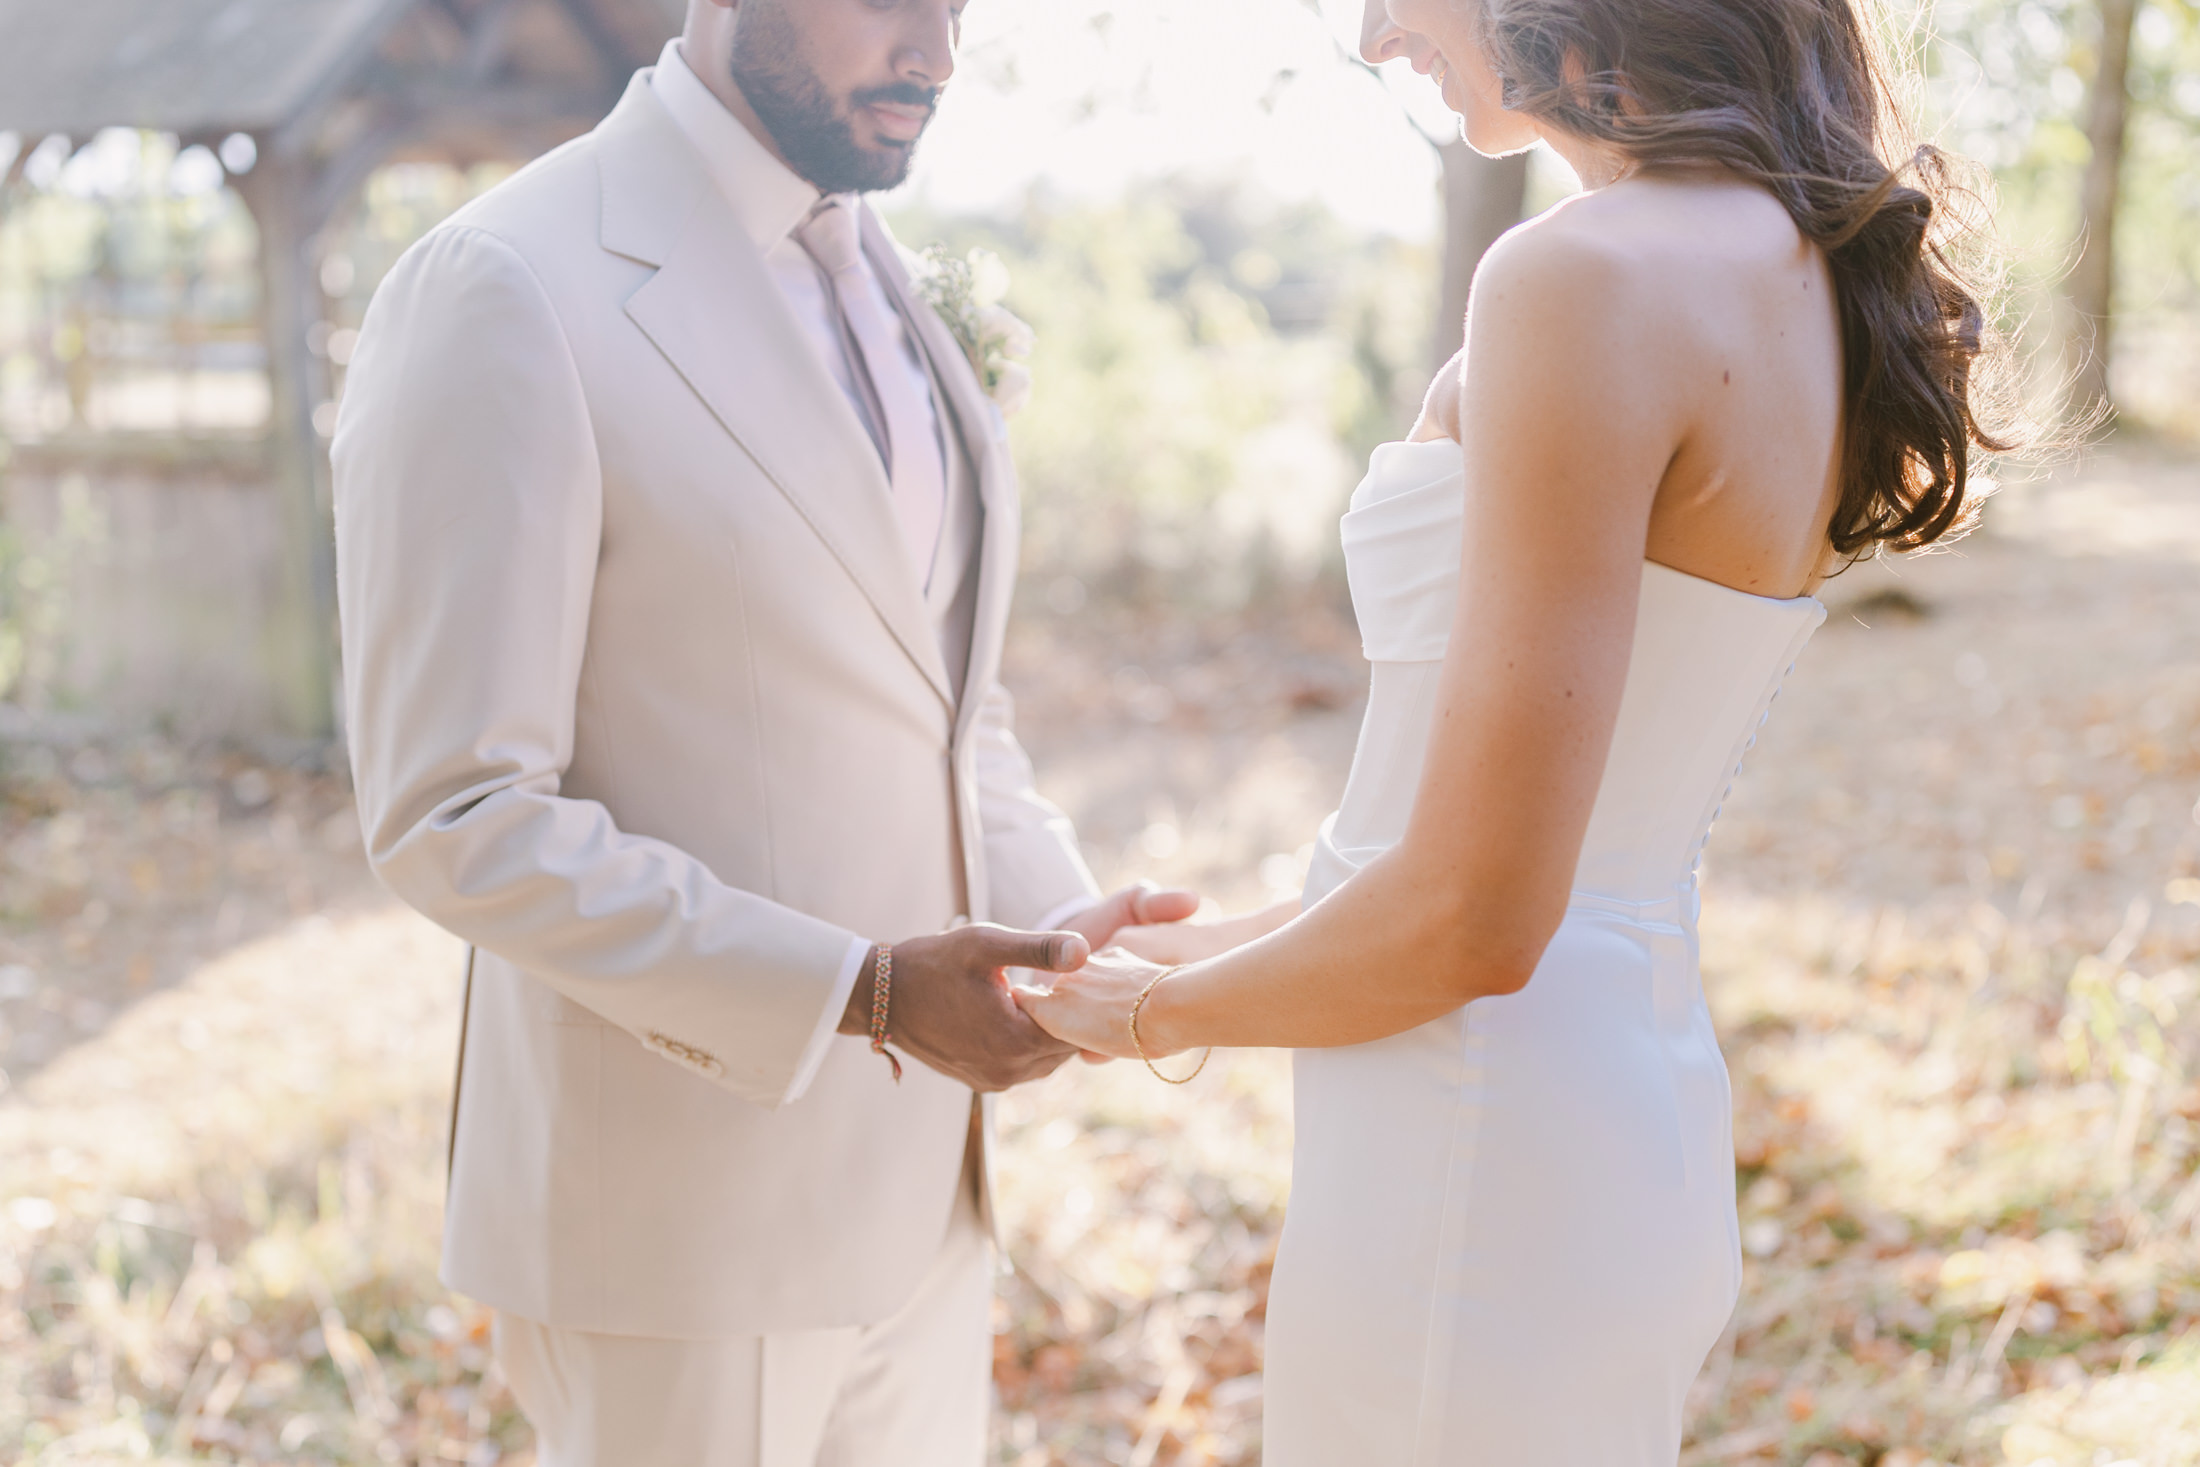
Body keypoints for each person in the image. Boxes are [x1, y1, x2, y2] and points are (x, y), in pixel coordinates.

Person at [1019, 0, 2017, 1456]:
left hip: (1474, 1125)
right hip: (1611, 1088)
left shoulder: (1579, 277)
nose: (1370, 37)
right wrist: (1185, 946)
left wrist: (1153, 1018)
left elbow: (1479, 918)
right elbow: (1555, 846)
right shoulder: (1799, 267)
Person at [331, 0, 1195, 1462]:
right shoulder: (504, 283)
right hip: (677, 1233)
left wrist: (1070, 935)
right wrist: (855, 991)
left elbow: (942, 713)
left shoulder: (896, 288)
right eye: (888, 2)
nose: (936, 49)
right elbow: (455, 815)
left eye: (959, 4)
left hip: (927, 1208)